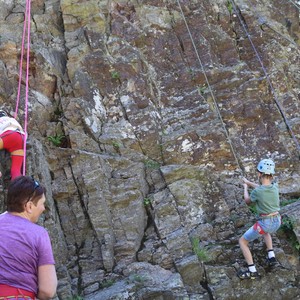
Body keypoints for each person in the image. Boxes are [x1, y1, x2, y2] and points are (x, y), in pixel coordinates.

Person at [0, 175, 57, 299]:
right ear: (29, 206)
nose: (43, 208)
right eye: (42, 203)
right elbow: (48, 290)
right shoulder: (39, 234)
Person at [238, 158, 281, 279]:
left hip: (265, 223)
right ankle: (271, 256)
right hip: (277, 221)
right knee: (265, 232)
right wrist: (249, 182)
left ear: (259, 174)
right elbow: (261, 188)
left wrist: (245, 187)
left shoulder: (257, 191)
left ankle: (252, 270)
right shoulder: (275, 186)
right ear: (271, 174)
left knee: (242, 241)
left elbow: (248, 201)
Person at [0, 109, 25, 180]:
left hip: (8, 136)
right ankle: (18, 188)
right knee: (16, 170)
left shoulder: (1, 120)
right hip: (20, 139)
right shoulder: (12, 119)